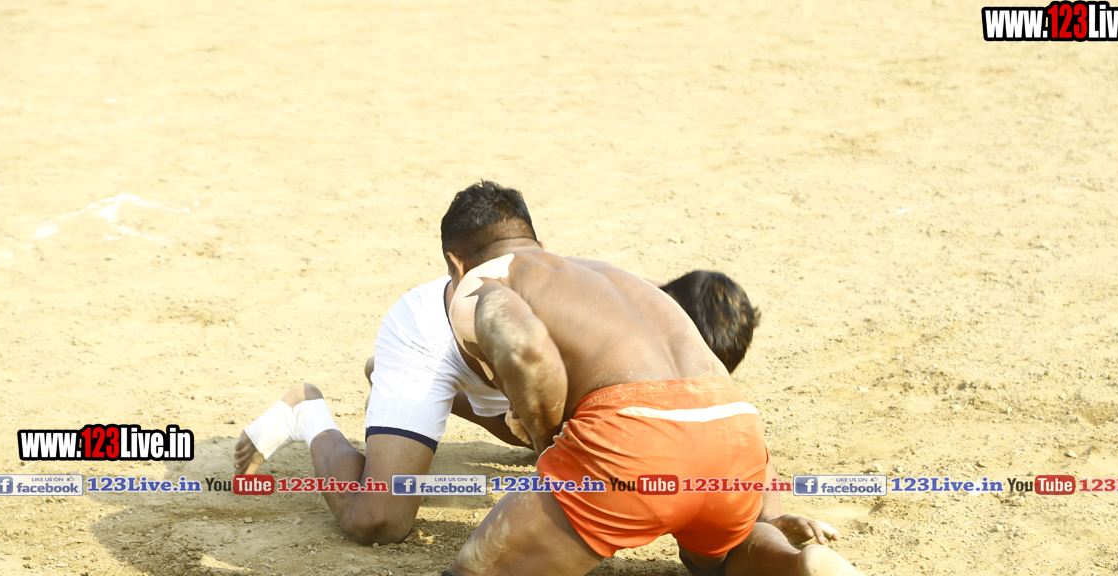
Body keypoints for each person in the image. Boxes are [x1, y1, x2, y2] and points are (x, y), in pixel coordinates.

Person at [408, 186, 913, 576]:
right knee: (717, 561)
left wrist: (547, 437)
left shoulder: (481, 282)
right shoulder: (616, 278)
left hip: (631, 436)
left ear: (455, 261)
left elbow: (525, 348)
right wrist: (767, 507)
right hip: (734, 429)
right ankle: (799, 565)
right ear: (537, 240)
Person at [233, 181, 761, 546]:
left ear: (543, 249)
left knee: (541, 436)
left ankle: (419, 396)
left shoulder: (603, 290)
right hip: (434, 346)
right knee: (377, 519)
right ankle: (308, 411)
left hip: (517, 368)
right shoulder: (425, 319)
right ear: (455, 267)